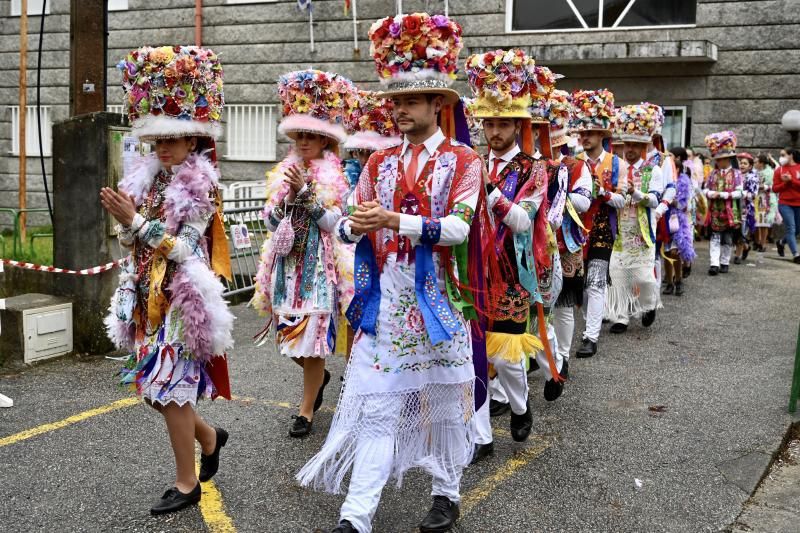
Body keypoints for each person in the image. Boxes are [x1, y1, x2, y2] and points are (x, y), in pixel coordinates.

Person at [297, 13, 483, 533]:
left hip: (440, 297)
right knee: (378, 407)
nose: (399, 111)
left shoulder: (465, 160)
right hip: (388, 302)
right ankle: (356, 517)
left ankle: (447, 493)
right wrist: (334, 218)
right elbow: (349, 229)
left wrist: (393, 220)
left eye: (410, 102)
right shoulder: (377, 165)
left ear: (438, 105)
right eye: (394, 102)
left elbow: (459, 227)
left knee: (445, 400)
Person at [101, 46, 234, 515]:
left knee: (169, 392)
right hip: (143, 295)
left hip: (181, 300)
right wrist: (124, 226)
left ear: (195, 138)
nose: (164, 146)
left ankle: (187, 481)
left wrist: (135, 222)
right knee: (154, 394)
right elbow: (130, 244)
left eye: (174, 137)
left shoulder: (204, 185)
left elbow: (186, 252)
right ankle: (209, 436)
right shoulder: (146, 178)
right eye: (157, 137)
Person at [252, 69, 353, 438]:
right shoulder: (283, 173)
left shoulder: (337, 176)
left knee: (313, 342)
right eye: (300, 135)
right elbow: (270, 222)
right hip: (287, 269)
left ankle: (306, 410)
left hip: (320, 269)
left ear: (326, 140)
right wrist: (290, 195)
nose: (305, 141)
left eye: (313, 136)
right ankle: (319, 377)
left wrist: (308, 198)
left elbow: (337, 225)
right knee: (293, 343)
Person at [463, 49, 548, 464]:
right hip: (470, 273)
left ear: (518, 124)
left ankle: (519, 406)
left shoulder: (535, 168)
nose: (494, 131)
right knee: (473, 353)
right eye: (488, 123)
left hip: (512, 275)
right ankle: (481, 436)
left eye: (502, 124)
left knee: (506, 357)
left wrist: (490, 190)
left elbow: (521, 222)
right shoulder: (471, 163)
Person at [572, 89, 627, 356]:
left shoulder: (617, 164)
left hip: (603, 230)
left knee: (594, 281)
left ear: (602, 135)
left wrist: (603, 192)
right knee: (577, 283)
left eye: (589, 133)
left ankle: (590, 337)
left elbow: (623, 200)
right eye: (581, 133)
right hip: (575, 229)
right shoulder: (572, 163)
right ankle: (583, 327)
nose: (584, 137)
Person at [605, 104, 664, 333]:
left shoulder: (653, 171)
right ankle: (620, 317)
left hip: (641, 231)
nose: (629, 149)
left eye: (635, 145)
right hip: (619, 229)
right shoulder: (615, 168)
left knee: (643, 277)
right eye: (626, 145)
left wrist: (637, 195)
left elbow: (655, 200)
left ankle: (649, 305)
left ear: (644, 146)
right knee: (618, 274)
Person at [547, 89, 592, 378]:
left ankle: (561, 356)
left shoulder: (575, 166)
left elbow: (585, 201)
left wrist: (556, 195)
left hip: (564, 242)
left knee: (563, 303)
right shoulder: (525, 163)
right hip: (532, 243)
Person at [703, 131, 744, 275]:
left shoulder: (736, 174)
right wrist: (710, 193)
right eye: (717, 159)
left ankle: (724, 262)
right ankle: (714, 263)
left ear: (728, 159)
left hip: (729, 210)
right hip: (715, 209)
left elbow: (740, 192)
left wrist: (723, 194)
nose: (718, 162)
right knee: (714, 237)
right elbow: (705, 189)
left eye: (721, 159)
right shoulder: (713, 174)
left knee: (727, 238)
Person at [661, 147, 697, 296]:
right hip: (664, 218)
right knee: (667, 252)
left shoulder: (685, 182)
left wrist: (677, 204)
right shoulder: (662, 180)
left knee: (675, 252)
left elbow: (690, 205)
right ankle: (669, 281)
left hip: (679, 222)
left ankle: (679, 280)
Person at [772, 147, 800, 264]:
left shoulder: (799, 167)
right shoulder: (779, 170)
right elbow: (775, 188)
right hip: (785, 203)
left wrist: (791, 181)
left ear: (791, 155)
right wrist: (784, 184)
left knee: (797, 229)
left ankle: (781, 242)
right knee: (791, 228)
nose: (781, 157)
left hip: (798, 203)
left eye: (783, 155)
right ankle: (796, 254)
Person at [734, 152, 759, 264]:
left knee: (741, 232)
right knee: (735, 231)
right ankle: (746, 246)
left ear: (750, 166)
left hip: (746, 209)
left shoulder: (753, 177)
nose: (742, 165)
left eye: (745, 163)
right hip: (733, 207)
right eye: (741, 163)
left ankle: (737, 256)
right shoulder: (735, 175)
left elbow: (753, 195)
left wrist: (740, 193)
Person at [753, 153, 777, 253]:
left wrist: (765, 187)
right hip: (754, 198)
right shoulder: (753, 172)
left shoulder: (770, 173)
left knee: (764, 222)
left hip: (765, 199)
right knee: (755, 221)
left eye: (756, 162)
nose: (754, 163)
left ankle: (763, 244)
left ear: (761, 163)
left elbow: (774, 187)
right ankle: (756, 241)